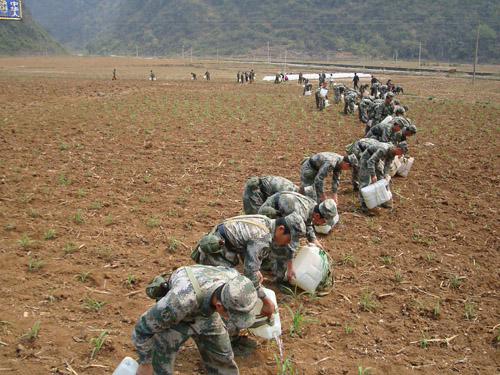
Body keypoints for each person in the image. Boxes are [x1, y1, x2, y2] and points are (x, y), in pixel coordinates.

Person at [132, 265, 258, 375]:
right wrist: (145, 364)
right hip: (178, 318)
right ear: (219, 306)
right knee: (159, 367)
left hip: (206, 311)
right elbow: (142, 328)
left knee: (223, 358)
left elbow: (251, 282)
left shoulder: (234, 281)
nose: (232, 319)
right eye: (233, 316)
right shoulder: (178, 302)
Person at [193, 213, 306, 298]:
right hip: (214, 252)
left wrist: (256, 269)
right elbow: (250, 274)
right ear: (281, 229)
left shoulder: (266, 221)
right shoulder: (263, 238)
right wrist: (264, 298)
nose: (288, 244)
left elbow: (246, 244)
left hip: (223, 244)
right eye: (289, 239)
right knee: (225, 289)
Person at [258, 192, 337, 249]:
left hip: (281, 212)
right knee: (282, 243)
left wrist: (313, 240)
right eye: (323, 221)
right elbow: (291, 236)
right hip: (267, 214)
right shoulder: (298, 214)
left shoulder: (313, 207)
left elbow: (308, 223)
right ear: (317, 216)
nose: (322, 224)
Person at [358, 142, 408, 213]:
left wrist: (386, 175)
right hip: (367, 158)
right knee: (365, 181)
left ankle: (383, 201)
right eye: (401, 152)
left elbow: (387, 165)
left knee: (382, 178)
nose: (401, 154)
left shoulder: (393, 153)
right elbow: (370, 161)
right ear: (398, 149)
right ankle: (364, 206)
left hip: (376, 160)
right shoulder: (383, 149)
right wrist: (373, 175)